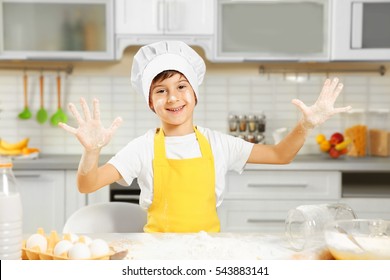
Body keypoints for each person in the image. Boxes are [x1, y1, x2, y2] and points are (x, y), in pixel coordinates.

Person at [59, 41, 351, 233]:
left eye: (181, 86)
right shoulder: (142, 148)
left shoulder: (218, 143)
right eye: (161, 91)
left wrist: (306, 124)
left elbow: (280, 155)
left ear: (195, 93)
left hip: (208, 254)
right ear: (151, 102)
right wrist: (92, 150)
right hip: (156, 256)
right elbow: (87, 184)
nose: (173, 97)